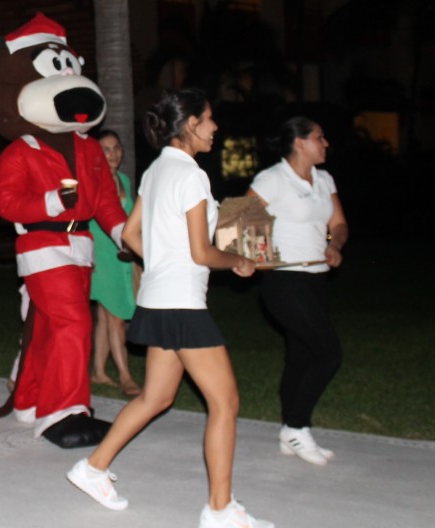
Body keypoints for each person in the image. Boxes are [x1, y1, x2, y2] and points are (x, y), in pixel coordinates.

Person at [67, 89, 273, 528]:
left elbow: (131, 234)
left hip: (157, 300)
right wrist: (237, 260)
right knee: (226, 402)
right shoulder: (192, 176)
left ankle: (92, 468)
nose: (216, 127)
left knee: (157, 396)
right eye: (210, 119)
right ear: (191, 124)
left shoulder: (156, 171)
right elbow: (202, 252)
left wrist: (161, 260)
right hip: (181, 303)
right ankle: (220, 509)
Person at [248, 116, 348, 466]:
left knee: (302, 355)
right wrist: (253, 259)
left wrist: (334, 245)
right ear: (300, 143)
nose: (326, 144)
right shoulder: (272, 179)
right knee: (328, 352)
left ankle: (289, 432)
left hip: (317, 279)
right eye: (320, 138)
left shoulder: (324, 179)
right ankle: (297, 425)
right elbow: (241, 220)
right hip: (284, 280)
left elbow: (338, 223)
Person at [88, 129, 141, 397]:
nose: (113, 154)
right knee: (116, 317)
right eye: (106, 149)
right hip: (101, 256)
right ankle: (125, 376)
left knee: (105, 316)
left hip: (122, 257)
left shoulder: (123, 180)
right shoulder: (92, 180)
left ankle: (98, 370)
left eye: (117, 148)